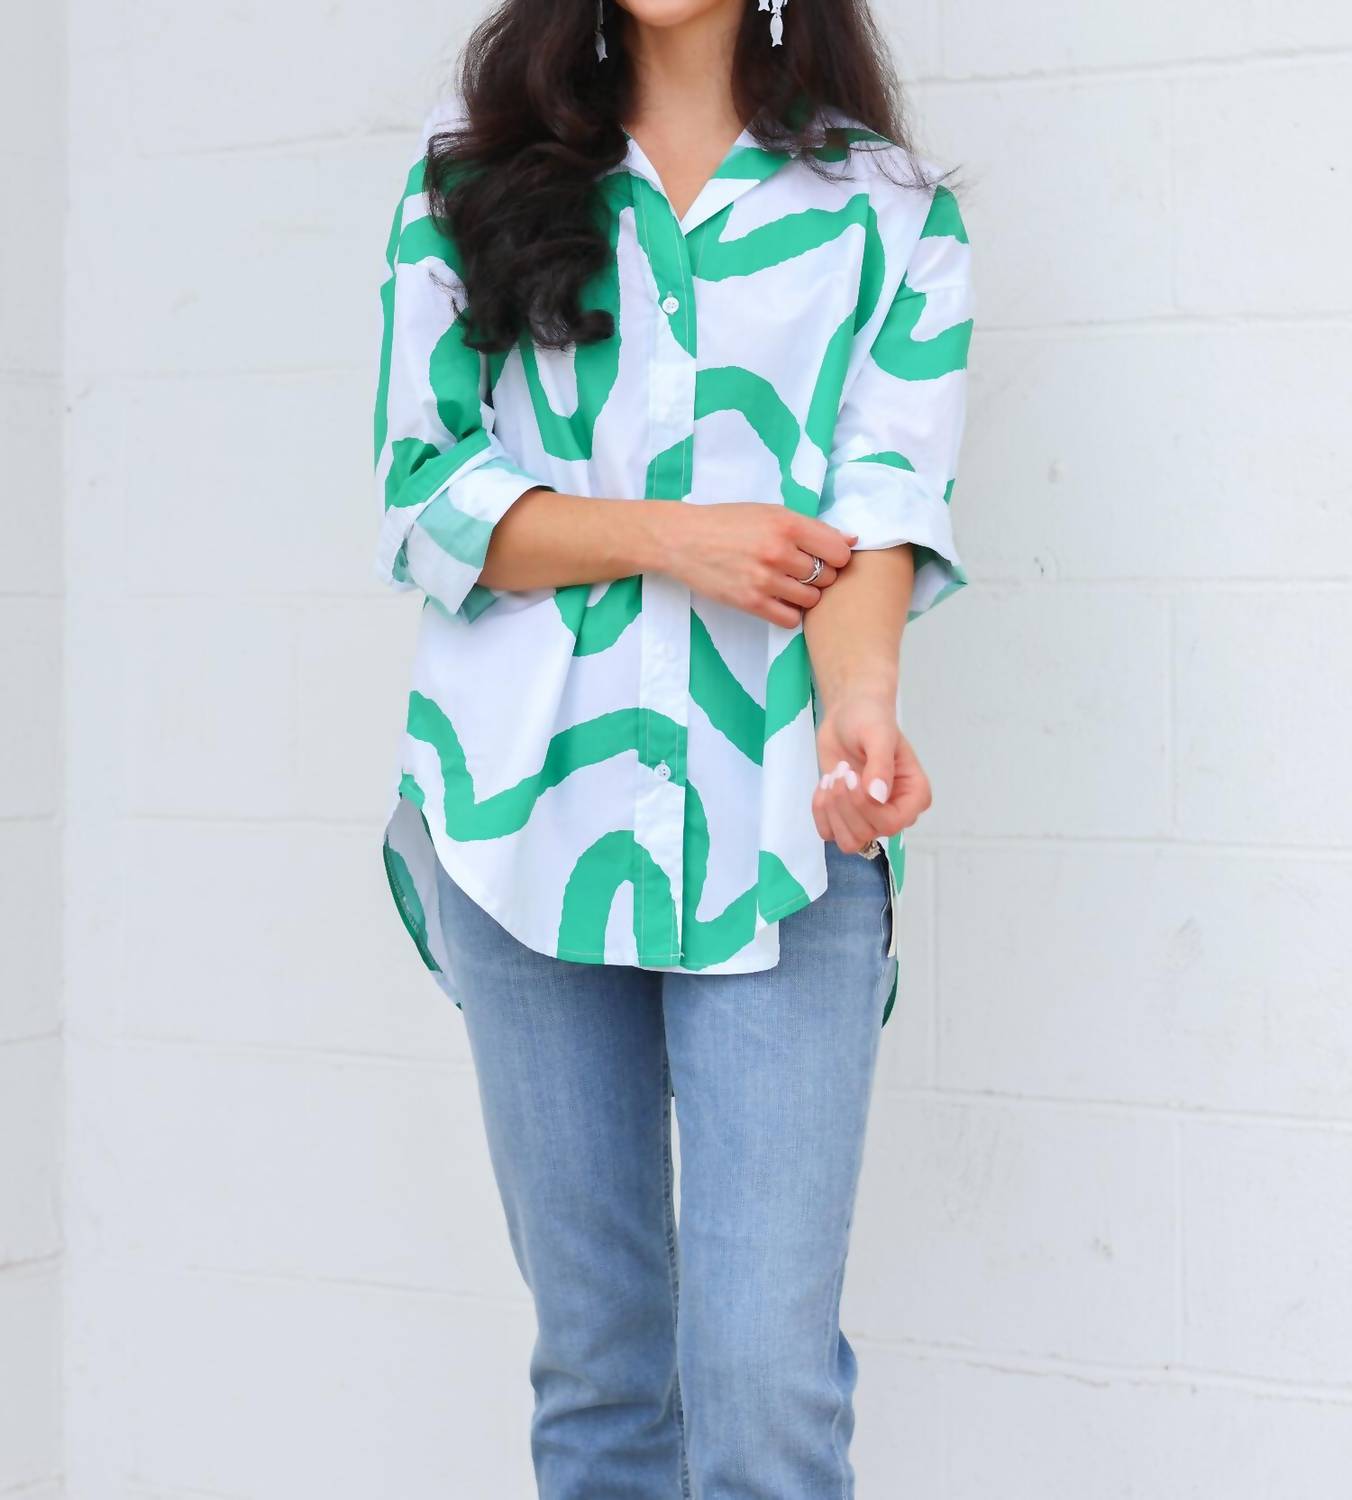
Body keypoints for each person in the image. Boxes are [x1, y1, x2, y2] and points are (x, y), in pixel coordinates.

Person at [371, 0, 973, 1493]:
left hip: (781, 826)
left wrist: (861, 707)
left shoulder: (888, 213)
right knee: (600, 1371)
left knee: (767, 1384)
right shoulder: (467, 179)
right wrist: (672, 539)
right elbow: (425, 493)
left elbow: (882, 506)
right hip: (520, 818)